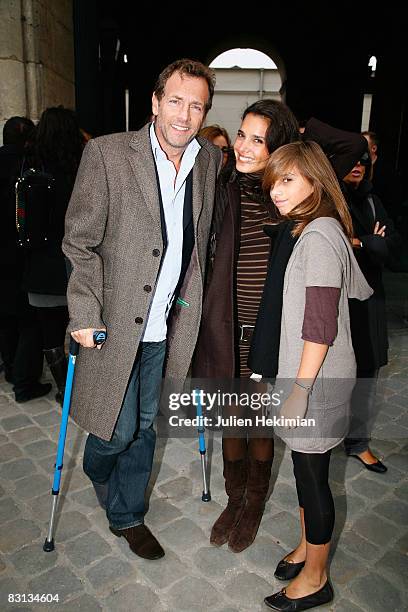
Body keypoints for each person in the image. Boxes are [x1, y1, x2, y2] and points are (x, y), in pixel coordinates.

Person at [62, 58, 221, 561]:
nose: (185, 114)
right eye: (175, 101)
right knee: (118, 426)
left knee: (146, 423)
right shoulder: (108, 155)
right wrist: (84, 311)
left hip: (169, 325)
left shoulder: (208, 162)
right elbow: (79, 242)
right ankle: (97, 466)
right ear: (155, 103)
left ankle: (128, 514)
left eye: (196, 105)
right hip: (112, 323)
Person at [260, 141, 372, 611]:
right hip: (310, 373)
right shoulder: (312, 228)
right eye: (273, 183)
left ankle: (317, 578)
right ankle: (309, 548)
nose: (276, 192)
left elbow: (321, 327)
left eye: (287, 180)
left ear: (315, 180)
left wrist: (301, 390)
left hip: (317, 379)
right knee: (305, 471)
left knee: (313, 477)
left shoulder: (321, 236)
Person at [193, 99, 299, 552]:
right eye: (242, 134)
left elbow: (345, 146)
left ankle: (254, 501)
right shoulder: (223, 187)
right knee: (230, 420)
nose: (244, 146)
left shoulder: (289, 197)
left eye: (258, 139)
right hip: (225, 330)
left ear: (278, 147)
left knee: (260, 424)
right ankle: (234, 498)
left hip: (267, 339)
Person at [342, 150, 402, 472]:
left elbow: (392, 244)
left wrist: (361, 243)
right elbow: (339, 243)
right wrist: (370, 242)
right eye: (353, 159)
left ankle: (358, 443)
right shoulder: (333, 198)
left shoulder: (373, 200)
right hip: (340, 300)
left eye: (364, 161)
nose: (358, 166)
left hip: (371, 301)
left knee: (367, 375)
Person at [22, 107, 84, 404]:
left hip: (40, 262)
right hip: (74, 261)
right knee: (80, 325)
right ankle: (80, 385)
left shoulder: (30, 168)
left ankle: (65, 390)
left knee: (49, 331)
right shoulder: (80, 169)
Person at [0, 116, 52, 402]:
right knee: (28, 320)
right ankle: (24, 382)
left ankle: (10, 369)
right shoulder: (29, 168)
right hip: (19, 255)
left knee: (5, 318)